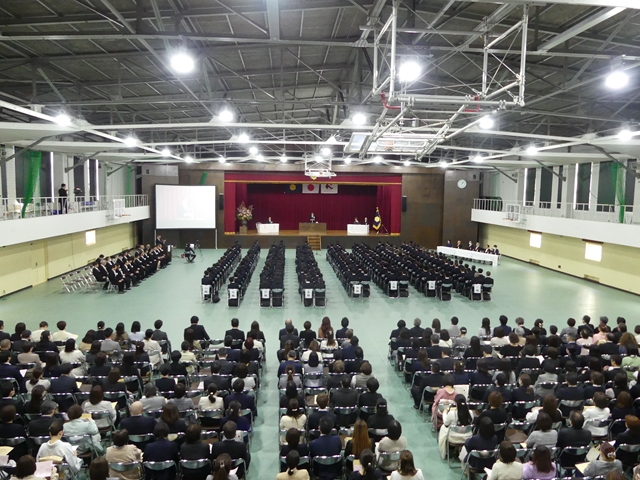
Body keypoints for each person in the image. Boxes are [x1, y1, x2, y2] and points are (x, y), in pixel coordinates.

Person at [438, 394, 474, 459]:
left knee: (443, 427)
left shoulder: (452, 413)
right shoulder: (470, 413)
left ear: (455, 403)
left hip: (454, 437)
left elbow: (446, 423)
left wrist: (444, 413)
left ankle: (446, 451)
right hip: (467, 437)